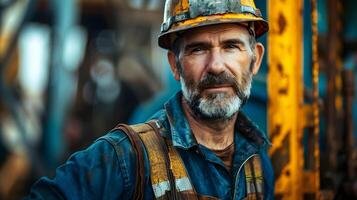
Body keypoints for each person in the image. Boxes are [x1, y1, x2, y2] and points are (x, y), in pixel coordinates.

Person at [26, 0, 274, 199]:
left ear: (256, 60)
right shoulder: (126, 157)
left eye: (231, 46)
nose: (217, 66)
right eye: (198, 49)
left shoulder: (260, 160)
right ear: (174, 65)